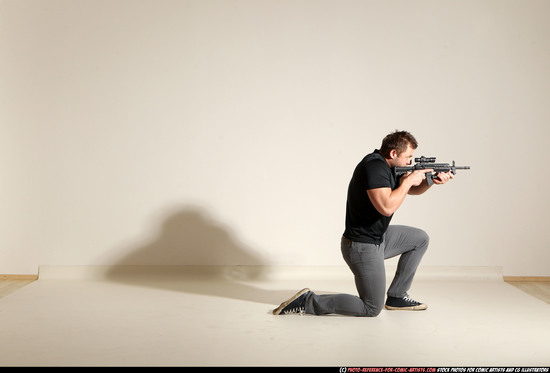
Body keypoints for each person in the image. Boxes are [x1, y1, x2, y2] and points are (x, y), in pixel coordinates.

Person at [273, 130, 454, 316]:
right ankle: (309, 301)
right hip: (361, 246)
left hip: (378, 238)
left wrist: (430, 181)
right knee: (372, 307)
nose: (410, 162)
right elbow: (386, 207)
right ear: (393, 153)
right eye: (408, 156)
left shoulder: (389, 165)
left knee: (420, 238)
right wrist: (408, 182)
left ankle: (397, 296)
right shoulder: (374, 166)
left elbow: (410, 191)